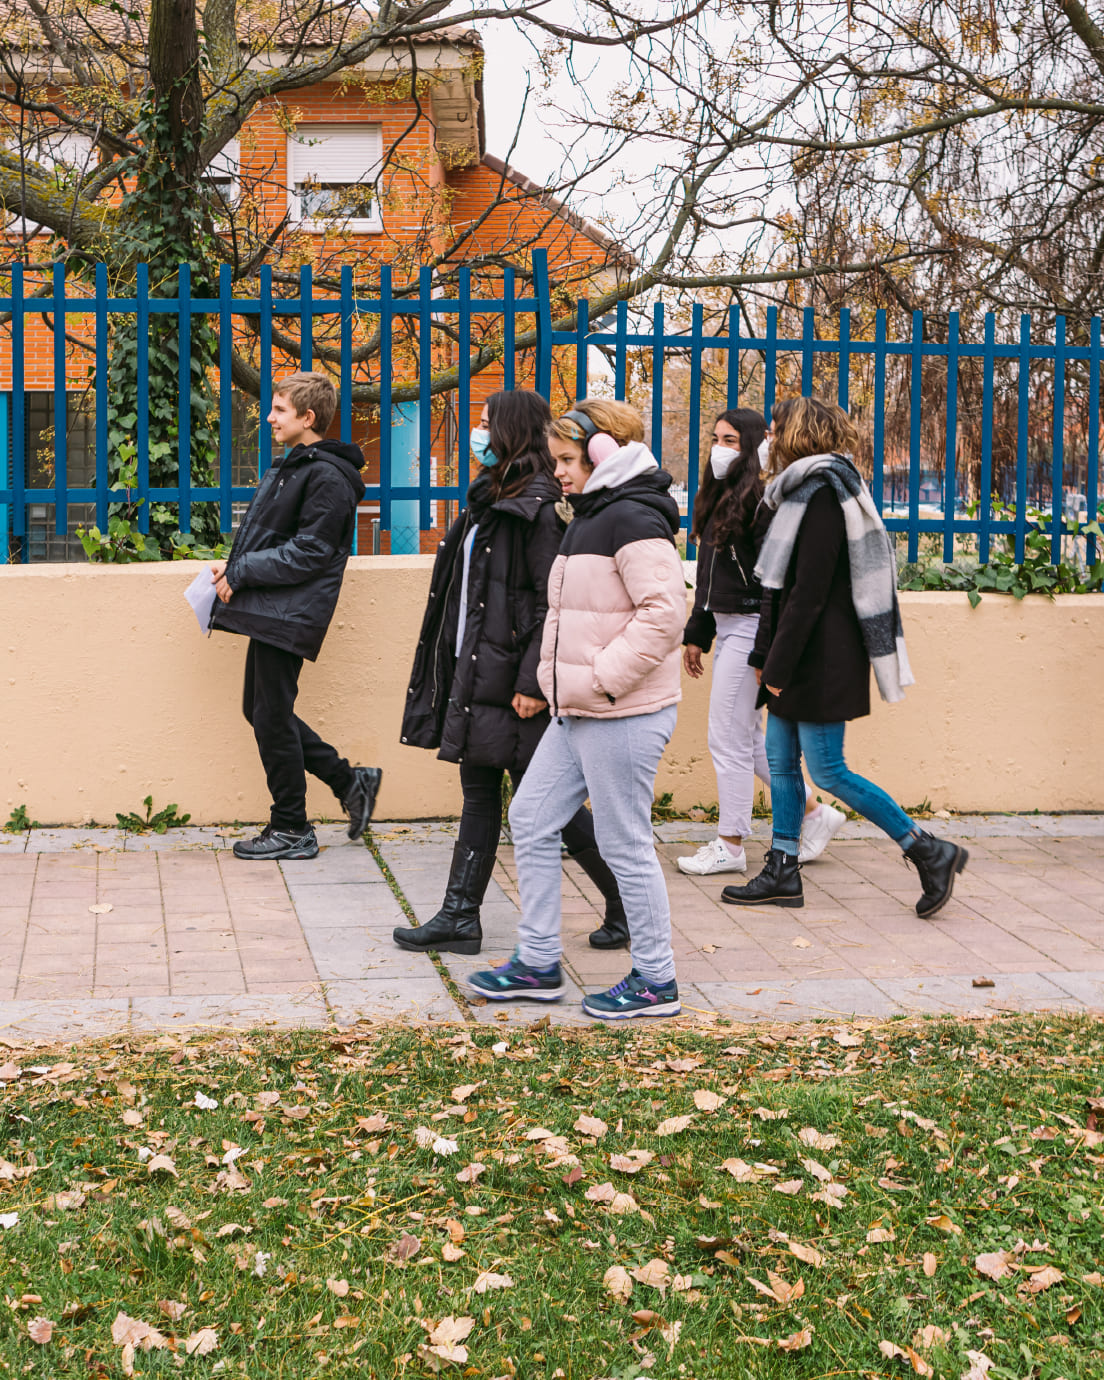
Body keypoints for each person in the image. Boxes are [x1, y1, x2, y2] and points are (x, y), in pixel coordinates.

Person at [467, 398, 686, 1018]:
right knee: (533, 818)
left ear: (601, 452)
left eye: (567, 459)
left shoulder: (633, 518)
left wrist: (601, 680)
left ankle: (656, 981)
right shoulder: (592, 514)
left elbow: (665, 614)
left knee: (625, 843)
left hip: (621, 711)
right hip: (581, 709)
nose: (556, 470)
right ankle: (538, 963)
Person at [394, 389, 627, 956]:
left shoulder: (541, 509)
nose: (477, 431)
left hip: (515, 685)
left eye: (483, 422)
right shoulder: (492, 498)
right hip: (478, 672)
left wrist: (531, 682)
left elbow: (554, 603)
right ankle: (460, 917)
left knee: (547, 803)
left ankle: (625, 903)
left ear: (508, 430)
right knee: (483, 792)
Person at [722, 396, 968, 916]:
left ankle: (928, 849)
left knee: (829, 770)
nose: (768, 440)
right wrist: (767, 657)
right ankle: (783, 870)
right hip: (797, 652)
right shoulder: (797, 492)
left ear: (796, 434)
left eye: (774, 430)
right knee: (782, 765)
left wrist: (780, 667)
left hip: (821, 657)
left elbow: (809, 593)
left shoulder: (823, 496)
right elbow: (778, 589)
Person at [210, 371, 382, 860]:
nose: (269, 418)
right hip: (274, 606)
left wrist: (243, 571)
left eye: (280, 410)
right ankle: (351, 783)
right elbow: (276, 538)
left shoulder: (326, 475)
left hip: (290, 609)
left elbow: (310, 552)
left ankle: (292, 827)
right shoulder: (297, 466)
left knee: (269, 715)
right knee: (262, 711)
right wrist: (235, 565)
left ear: (308, 418)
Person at [680, 408, 844, 877]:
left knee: (726, 739)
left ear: (752, 445)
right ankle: (814, 812)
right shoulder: (719, 495)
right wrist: (698, 634)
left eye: (730, 440)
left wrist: (763, 651)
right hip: (728, 625)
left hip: (751, 626)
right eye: (716, 438)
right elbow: (709, 578)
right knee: (747, 738)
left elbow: (774, 583)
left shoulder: (761, 501)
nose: (719, 448)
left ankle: (730, 844)